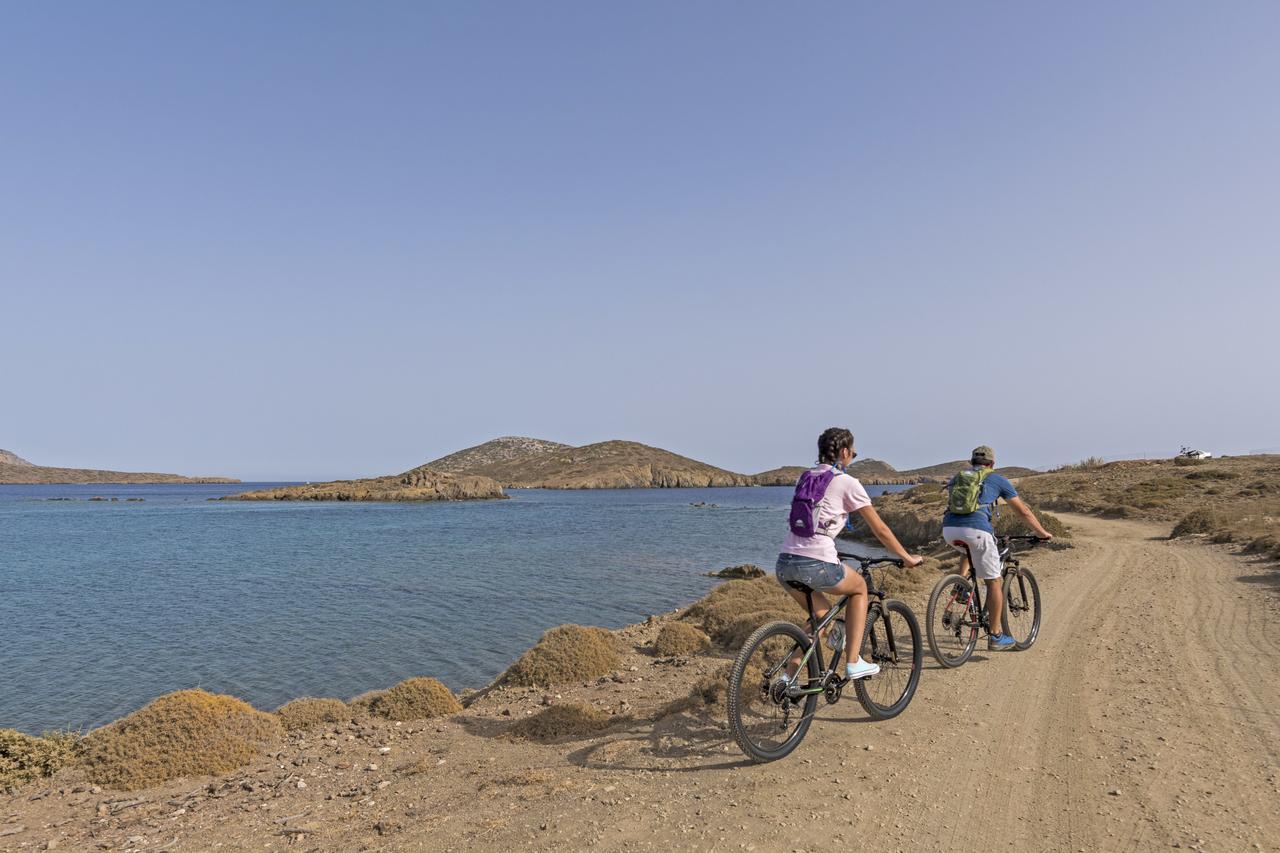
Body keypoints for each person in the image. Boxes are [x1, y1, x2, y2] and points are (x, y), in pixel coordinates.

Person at [776, 427, 923, 681]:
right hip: (816, 563)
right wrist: (907, 557)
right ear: (844, 452)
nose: (852, 457)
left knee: (819, 618)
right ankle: (853, 662)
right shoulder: (846, 482)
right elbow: (881, 529)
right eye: (853, 453)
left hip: (785, 563)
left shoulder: (805, 477)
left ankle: (786, 679)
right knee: (859, 589)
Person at [942, 445, 1053, 650]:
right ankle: (995, 635)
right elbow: (1024, 512)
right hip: (977, 531)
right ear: (992, 464)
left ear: (972, 462)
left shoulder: (959, 476)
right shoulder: (998, 479)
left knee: (970, 550)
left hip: (949, 530)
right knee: (994, 581)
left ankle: (960, 587)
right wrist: (1041, 532)